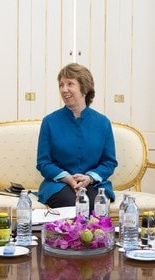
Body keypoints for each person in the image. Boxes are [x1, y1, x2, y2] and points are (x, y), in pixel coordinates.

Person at [36, 63, 118, 213]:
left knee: (94, 205)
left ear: (84, 88)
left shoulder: (103, 123)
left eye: (70, 84)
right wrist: (67, 177)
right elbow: (43, 162)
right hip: (58, 185)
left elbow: (109, 162)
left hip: (94, 185)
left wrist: (89, 178)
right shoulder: (49, 122)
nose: (64, 89)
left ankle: (96, 237)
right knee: (72, 205)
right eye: (61, 85)